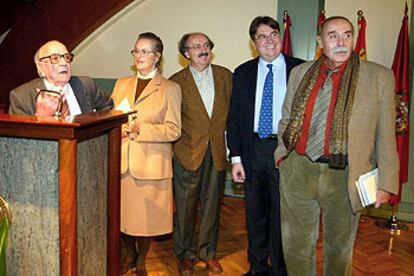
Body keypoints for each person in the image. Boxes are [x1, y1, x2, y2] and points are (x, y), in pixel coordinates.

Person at [274, 16, 399, 276]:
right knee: (296, 247)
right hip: (298, 170)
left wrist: (386, 185)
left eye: (347, 35)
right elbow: (287, 118)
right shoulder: (300, 73)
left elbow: (387, 135)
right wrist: (282, 156)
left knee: (339, 250)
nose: (341, 42)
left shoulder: (379, 77)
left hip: (345, 176)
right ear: (320, 41)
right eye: (333, 36)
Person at [226, 16, 303, 276]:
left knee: (283, 216)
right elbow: (234, 118)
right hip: (253, 151)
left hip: (287, 152)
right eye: (262, 36)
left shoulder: (299, 69)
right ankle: (258, 268)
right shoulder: (243, 72)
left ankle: (281, 270)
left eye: (273, 34)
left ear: (280, 36)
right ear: (254, 43)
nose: (269, 40)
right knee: (255, 216)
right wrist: (236, 158)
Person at [111, 32, 181, 276]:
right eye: (136, 51)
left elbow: (174, 130)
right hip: (121, 162)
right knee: (122, 219)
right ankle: (129, 253)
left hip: (150, 163)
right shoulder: (121, 84)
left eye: (145, 51)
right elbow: (112, 119)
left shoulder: (170, 89)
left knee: (145, 220)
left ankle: (141, 260)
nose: (139, 56)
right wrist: (117, 129)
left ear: (157, 56)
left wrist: (143, 129)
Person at [170, 32, 232, 275]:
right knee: (185, 208)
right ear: (186, 53)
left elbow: (233, 116)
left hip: (217, 152)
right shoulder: (176, 82)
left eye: (206, 45)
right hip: (187, 153)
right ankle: (185, 254)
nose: (202, 49)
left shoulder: (226, 76)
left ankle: (208, 252)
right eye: (196, 46)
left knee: (212, 207)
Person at [9, 40, 113, 115]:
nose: (64, 63)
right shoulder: (22, 97)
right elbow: (19, 142)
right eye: (55, 58)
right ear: (41, 66)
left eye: (67, 57)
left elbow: (108, 109)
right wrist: (41, 118)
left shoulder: (85, 84)